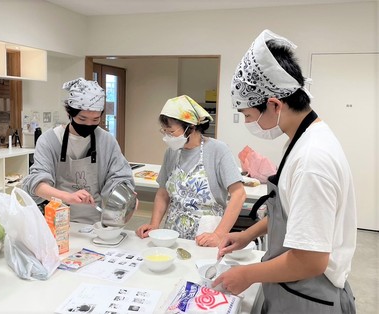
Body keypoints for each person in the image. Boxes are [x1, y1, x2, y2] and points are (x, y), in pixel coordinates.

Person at [213, 30, 356, 313]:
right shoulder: (301, 138)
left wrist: (247, 274)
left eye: (248, 116)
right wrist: (248, 234)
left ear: (275, 104)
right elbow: (292, 211)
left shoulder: (312, 160)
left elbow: (310, 260)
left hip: (311, 294)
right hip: (292, 286)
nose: (248, 124)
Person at [136, 95, 246, 247]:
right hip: (173, 233)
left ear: (191, 127)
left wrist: (219, 235)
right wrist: (154, 225)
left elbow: (238, 194)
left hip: (207, 235)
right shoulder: (171, 152)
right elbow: (163, 193)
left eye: (171, 132)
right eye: (165, 132)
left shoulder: (218, 150)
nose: (167, 137)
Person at [22, 77, 135, 224]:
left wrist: (126, 197)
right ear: (69, 112)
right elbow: (36, 184)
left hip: (96, 222)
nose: (88, 124)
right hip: (56, 222)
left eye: (95, 120)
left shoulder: (106, 141)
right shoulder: (49, 140)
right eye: (82, 119)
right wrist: (67, 197)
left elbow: (119, 178)